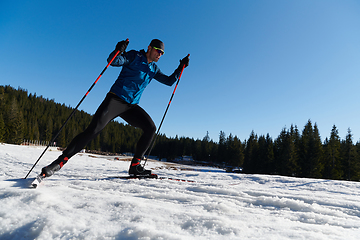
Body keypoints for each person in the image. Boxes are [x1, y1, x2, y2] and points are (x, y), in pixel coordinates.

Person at [40, 39, 189, 177]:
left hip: (131, 106)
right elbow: (113, 61)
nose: (160, 54)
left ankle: (135, 166)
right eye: (158, 50)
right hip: (115, 100)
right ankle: (59, 162)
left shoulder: (153, 68)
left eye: (162, 53)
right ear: (149, 48)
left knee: (150, 128)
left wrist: (180, 67)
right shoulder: (134, 56)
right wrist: (118, 50)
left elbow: (169, 81)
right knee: (93, 130)